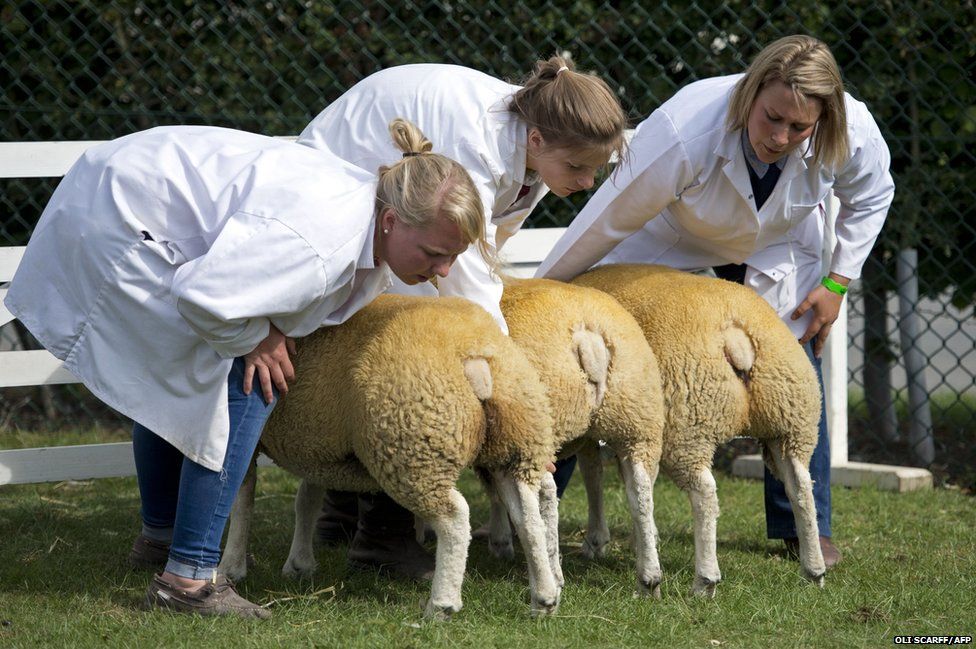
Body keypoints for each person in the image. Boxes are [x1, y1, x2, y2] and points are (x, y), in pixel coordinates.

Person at [3, 119, 486, 618]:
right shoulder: (322, 242)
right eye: (434, 254)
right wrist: (258, 337)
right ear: (390, 221)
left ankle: (160, 540)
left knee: (178, 379)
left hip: (122, 191)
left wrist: (260, 330)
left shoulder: (363, 209)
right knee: (250, 381)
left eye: (453, 257)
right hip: (120, 219)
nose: (443, 271)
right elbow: (205, 295)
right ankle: (188, 580)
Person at [536, 35, 896, 569]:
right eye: (771, 117)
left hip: (777, 240)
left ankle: (804, 526)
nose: (781, 137)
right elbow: (604, 221)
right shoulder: (685, 129)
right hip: (673, 230)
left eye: (799, 127)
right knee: (586, 333)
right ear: (751, 92)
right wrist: (545, 296)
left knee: (794, 360)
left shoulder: (850, 127)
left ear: (823, 117)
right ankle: (536, 498)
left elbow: (872, 194)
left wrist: (837, 283)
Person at [298, 56, 629, 576]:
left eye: (595, 170)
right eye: (577, 168)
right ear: (537, 140)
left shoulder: (537, 151)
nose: (587, 182)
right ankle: (383, 537)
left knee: (406, 336)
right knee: (417, 355)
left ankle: (344, 513)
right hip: (343, 186)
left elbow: (491, 238)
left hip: (399, 208)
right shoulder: (475, 145)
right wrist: (520, 405)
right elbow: (467, 281)